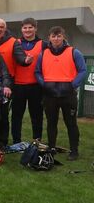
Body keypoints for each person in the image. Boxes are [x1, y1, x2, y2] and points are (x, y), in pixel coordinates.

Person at [35, 26, 86, 160]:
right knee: (51, 123)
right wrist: (44, 84)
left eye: (59, 36)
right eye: (53, 36)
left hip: (68, 95)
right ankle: (51, 148)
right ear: (49, 38)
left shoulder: (74, 52)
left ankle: (74, 150)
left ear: (63, 37)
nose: (56, 38)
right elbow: (37, 72)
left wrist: (73, 85)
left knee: (71, 123)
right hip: (49, 94)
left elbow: (82, 70)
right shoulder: (43, 54)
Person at [0, 18, 29, 145]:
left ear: (5, 29)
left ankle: (2, 141)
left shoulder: (13, 42)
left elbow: (20, 57)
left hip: (6, 82)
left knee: (3, 114)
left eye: (1, 27)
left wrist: (26, 61)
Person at [11, 18, 46, 143]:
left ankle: (37, 141)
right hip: (18, 85)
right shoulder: (16, 43)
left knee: (36, 116)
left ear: (35, 28)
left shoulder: (43, 44)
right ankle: (16, 142)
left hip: (36, 85)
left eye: (30, 27)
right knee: (16, 116)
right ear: (21, 29)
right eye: (25, 28)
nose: (27, 30)